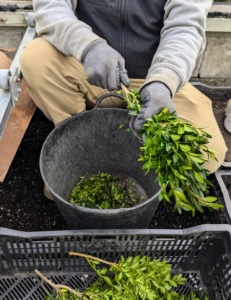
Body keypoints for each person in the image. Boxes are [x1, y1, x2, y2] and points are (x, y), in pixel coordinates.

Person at [20, 0, 227, 200]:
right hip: (91, 71)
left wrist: (163, 82)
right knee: (36, 57)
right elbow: (50, 7)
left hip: (153, 80)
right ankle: (78, 146)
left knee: (210, 154)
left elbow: (186, 27)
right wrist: (89, 46)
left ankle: (128, 156)